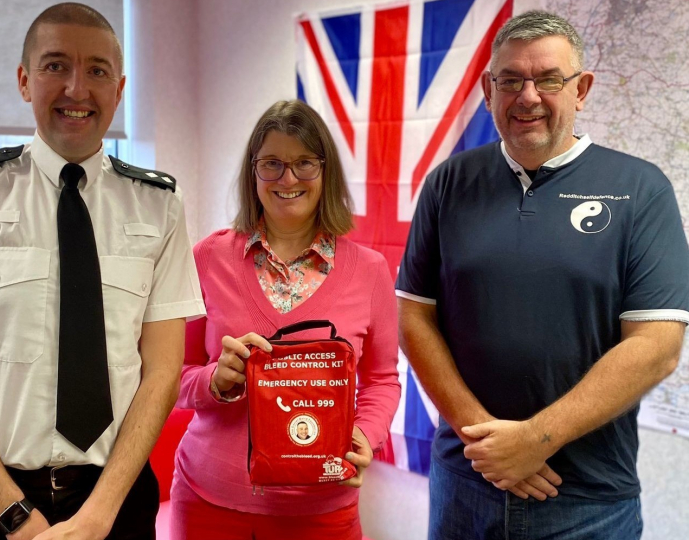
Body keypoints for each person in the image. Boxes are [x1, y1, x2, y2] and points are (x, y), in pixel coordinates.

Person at [0, 3, 204, 539]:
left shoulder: (159, 205)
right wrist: (19, 521)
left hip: (114, 502)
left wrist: (98, 516)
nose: (77, 88)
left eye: (97, 70)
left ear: (119, 89)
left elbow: (162, 377)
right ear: (24, 81)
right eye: (56, 66)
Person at [396, 10, 689, 540]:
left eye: (549, 79)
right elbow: (415, 316)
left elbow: (657, 345)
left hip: (586, 501)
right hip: (465, 484)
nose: (527, 96)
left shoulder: (640, 190)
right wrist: (488, 445)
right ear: (489, 89)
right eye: (511, 80)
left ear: (582, 89)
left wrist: (536, 439)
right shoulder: (448, 184)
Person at [170, 100, 401, 540]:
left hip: (320, 511)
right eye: (272, 164)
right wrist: (215, 383)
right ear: (253, 172)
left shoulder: (370, 270)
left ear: (325, 171)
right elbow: (170, 375)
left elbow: (382, 380)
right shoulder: (207, 258)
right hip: (207, 502)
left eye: (303, 164)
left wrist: (363, 438)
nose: (288, 179)